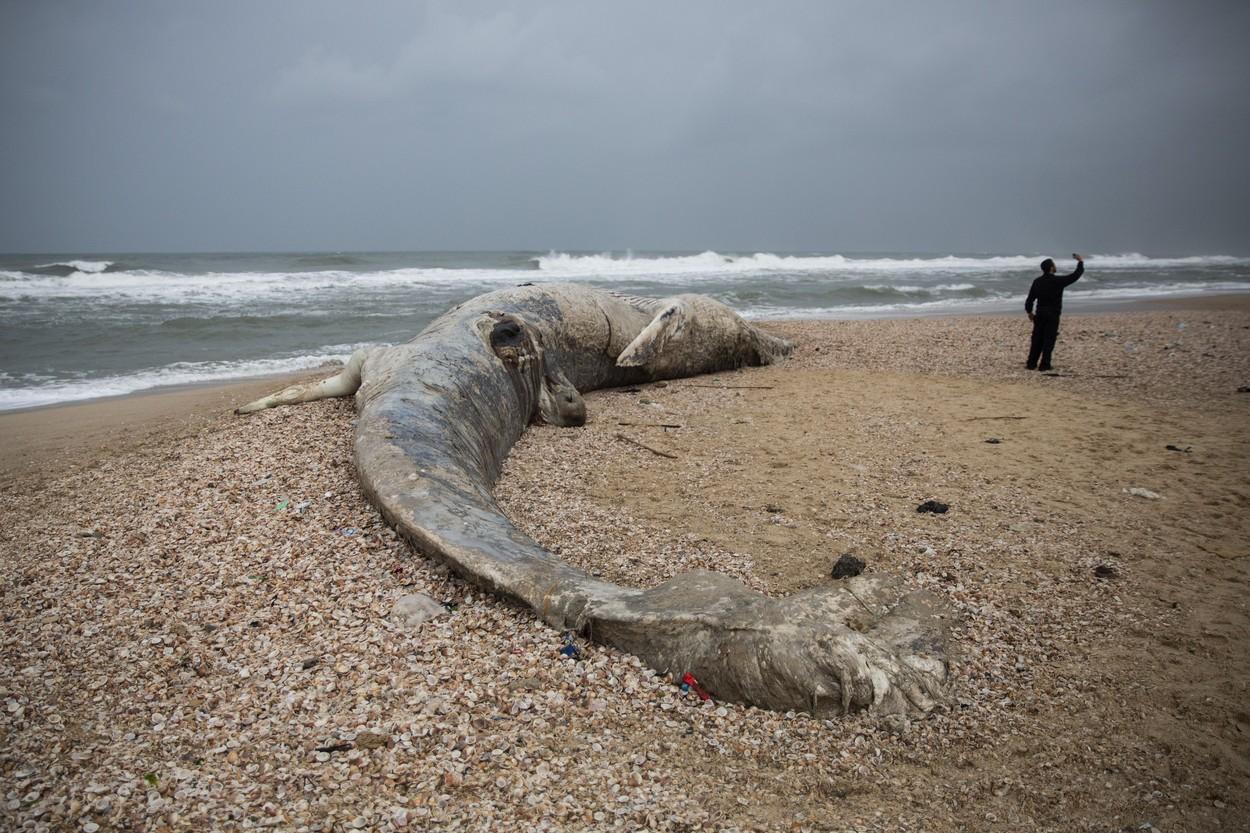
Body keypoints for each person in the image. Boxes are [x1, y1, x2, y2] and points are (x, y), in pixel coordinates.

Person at [1025, 254, 1084, 371]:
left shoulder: (1037, 281)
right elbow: (1075, 276)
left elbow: (1030, 298)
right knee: (1049, 339)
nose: (1055, 266)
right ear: (1051, 268)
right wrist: (1080, 262)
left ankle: (1031, 363)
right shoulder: (1057, 281)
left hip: (1040, 312)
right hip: (1053, 313)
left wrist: (1029, 312)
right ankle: (1044, 364)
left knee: (1037, 338)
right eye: (1054, 265)